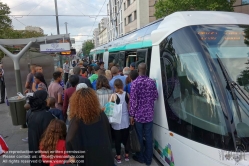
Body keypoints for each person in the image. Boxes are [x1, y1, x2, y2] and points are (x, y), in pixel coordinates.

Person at [66, 86, 114, 166]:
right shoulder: (101, 114)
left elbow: (69, 139)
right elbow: (108, 131)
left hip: (88, 156)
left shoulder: (76, 120)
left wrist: (73, 154)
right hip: (104, 152)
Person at [129, 63, 158, 166]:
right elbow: (155, 96)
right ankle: (148, 159)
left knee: (139, 137)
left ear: (138, 70)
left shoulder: (135, 83)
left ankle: (140, 157)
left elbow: (133, 102)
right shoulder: (151, 82)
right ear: (146, 70)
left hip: (139, 116)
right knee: (149, 137)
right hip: (149, 115)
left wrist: (131, 115)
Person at [26, 90, 55, 166]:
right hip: (44, 151)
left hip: (33, 147)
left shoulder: (30, 112)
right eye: (47, 97)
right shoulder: (47, 115)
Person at [110, 79, 130, 164]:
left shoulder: (113, 96)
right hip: (125, 120)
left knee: (117, 139)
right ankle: (126, 155)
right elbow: (129, 107)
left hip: (117, 120)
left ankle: (118, 157)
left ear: (115, 86)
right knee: (126, 138)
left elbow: (109, 110)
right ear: (122, 85)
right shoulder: (127, 94)